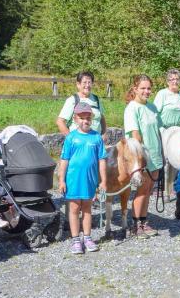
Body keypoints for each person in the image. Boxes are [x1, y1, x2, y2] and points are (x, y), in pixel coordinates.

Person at [57, 102, 108, 254]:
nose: (85, 121)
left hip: (90, 180)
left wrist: (103, 181)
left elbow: (102, 161)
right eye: (82, 118)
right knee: (73, 208)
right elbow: (64, 160)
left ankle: (87, 237)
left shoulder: (96, 138)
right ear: (75, 119)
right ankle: (75, 240)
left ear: (91, 118)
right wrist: (61, 180)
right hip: (73, 180)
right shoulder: (71, 138)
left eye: (88, 118)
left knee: (87, 208)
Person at [124, 74, 163, 238]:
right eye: (143, 88)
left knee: (148, 191)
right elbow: (135, 135)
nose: (147, 91)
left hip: (155, 156)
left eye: (148, 88)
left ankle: (144, 221)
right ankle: (135, 224)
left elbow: (159, 131)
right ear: (135, 89)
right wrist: (142, 159)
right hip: (142, 157)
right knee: (140, 191)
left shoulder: (153, 107)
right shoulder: (132, 108)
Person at [56, 71, 106, 136]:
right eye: (84, 82)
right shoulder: (73, 100)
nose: (87, 85)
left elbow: (102, 118)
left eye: (89, 82)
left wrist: (104, 134)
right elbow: (60, 122)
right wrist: (71, 139)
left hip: (96, 142)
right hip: (78, 143)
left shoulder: (96, 99)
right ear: (78, 84)